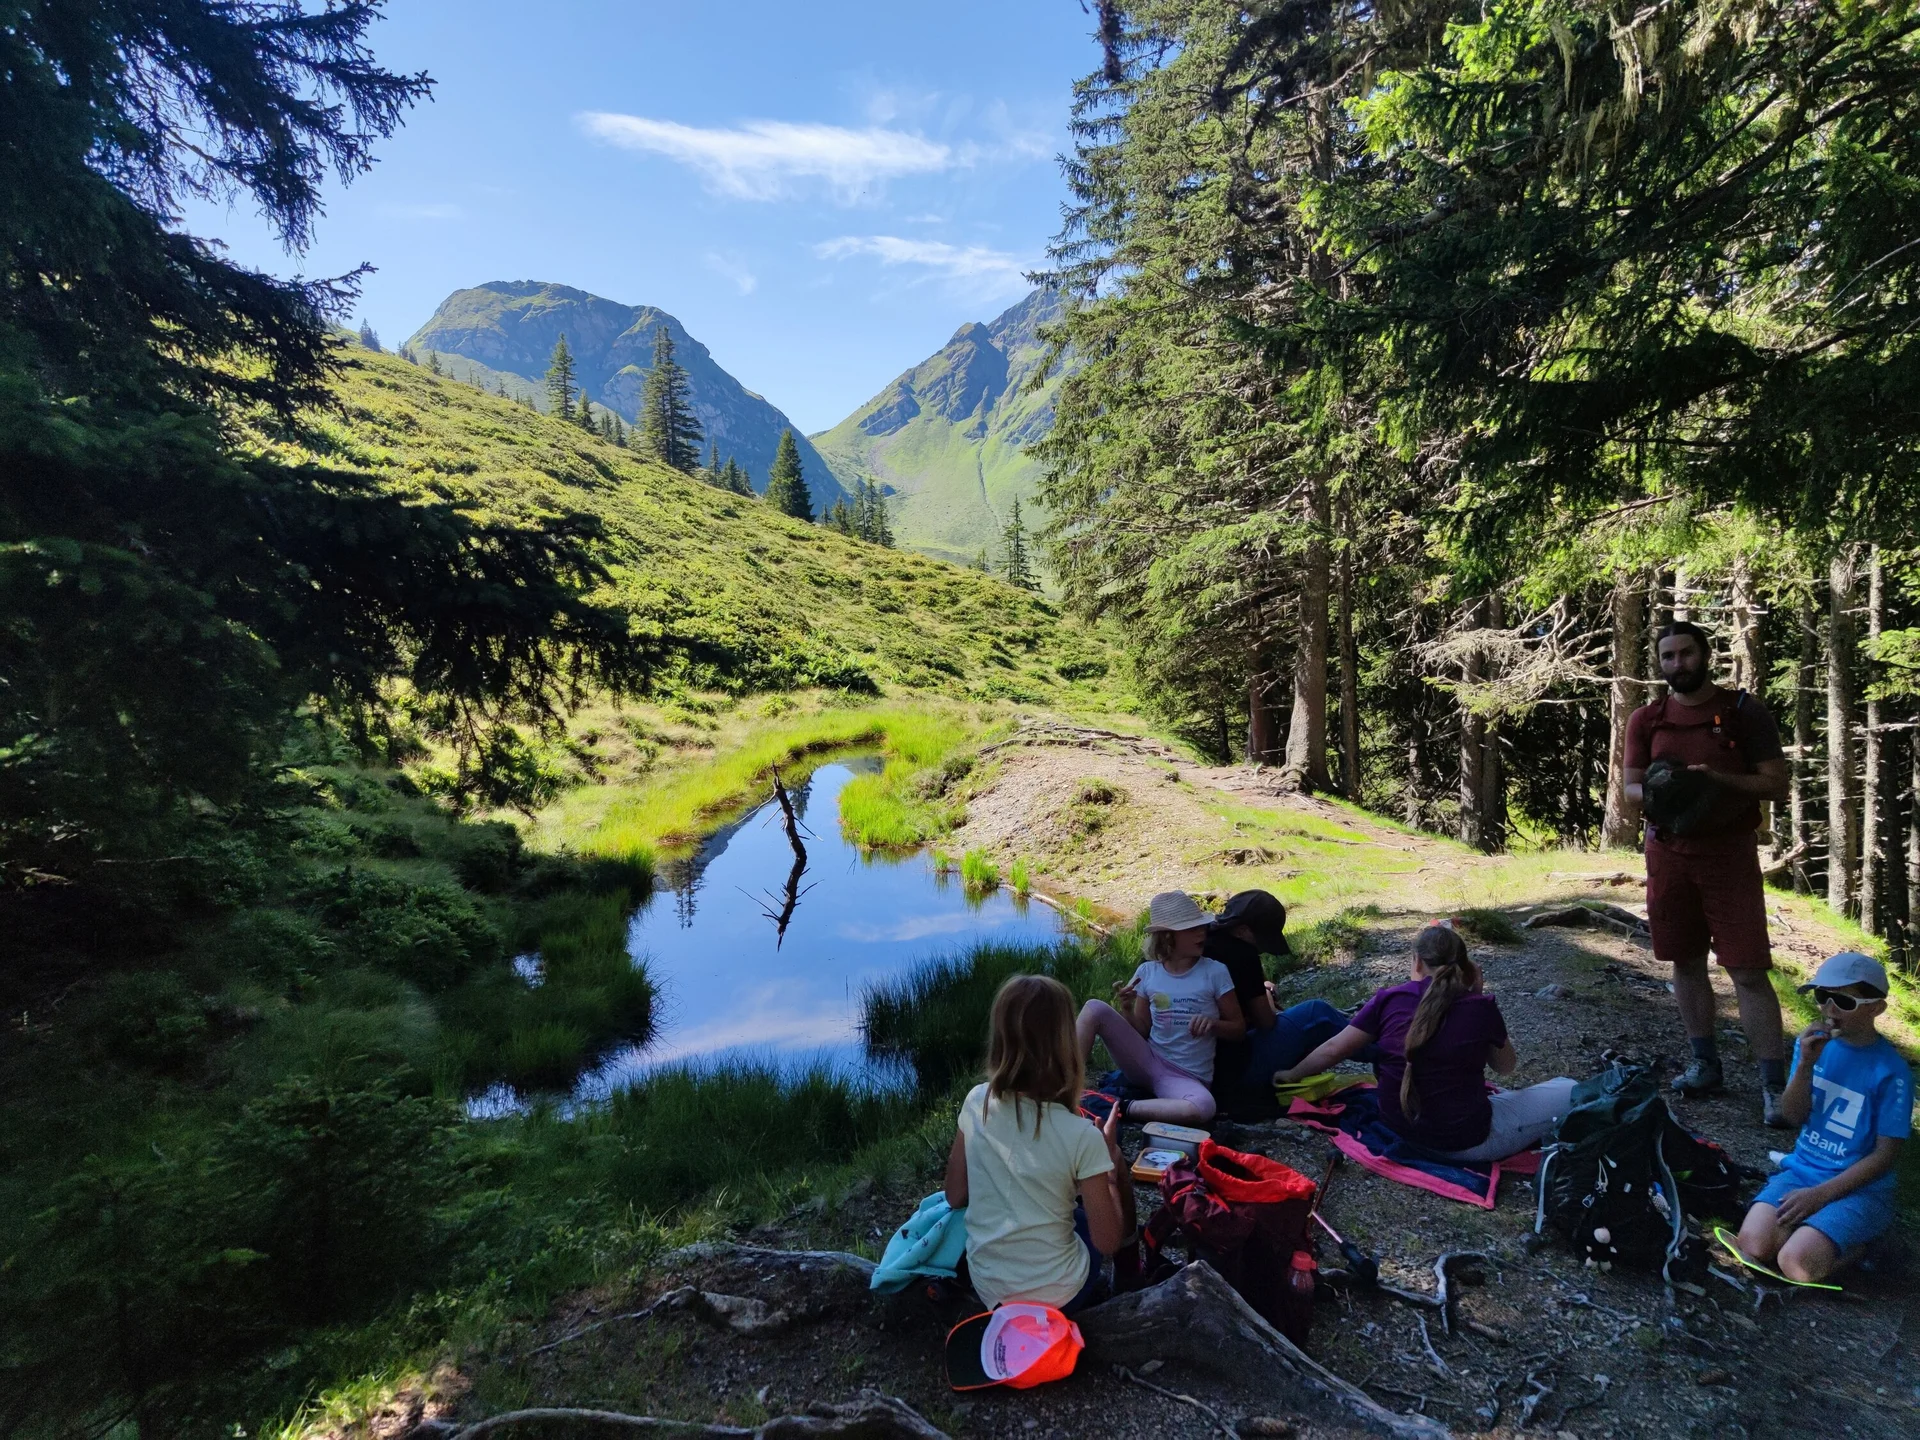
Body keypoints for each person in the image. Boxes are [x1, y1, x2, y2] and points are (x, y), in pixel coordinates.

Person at [1621, 620, 1792, 1124]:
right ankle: (1704, 1065)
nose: (1678, 664)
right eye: (1668, 656)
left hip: (1729, 854)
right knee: (1685, 960)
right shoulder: (1646, 720)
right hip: (1667, 852)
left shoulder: (1742, 712)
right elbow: (1630, 788)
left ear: (1705, 654)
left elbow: (1776, 783)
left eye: (1686, 654)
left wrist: (1715, 782)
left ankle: (1773, 1088)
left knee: (1746, 969)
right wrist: (1663, 788)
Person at [1275, 923, 1577, 1161]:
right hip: (1464, 1142)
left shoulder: (1389, 998)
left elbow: (1333, 1049)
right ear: (1466, 966)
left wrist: (1290, 1075)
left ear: (1416, 962)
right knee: (1571, 1090)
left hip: (1399, 1129)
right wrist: (1480, 997)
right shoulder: (1479, 1006)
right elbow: (1506, 1067)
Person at [944, 975, 1137, 1314]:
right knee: (1110, 1179)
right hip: (1060, 1295)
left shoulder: (977, 1101)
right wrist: (1109, 1166)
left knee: (1071, 1211)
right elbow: (1107, 1242)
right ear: (1065, 1046)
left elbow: (955, 1195)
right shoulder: (1082, 1136)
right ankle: (1130, 1276)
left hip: (989, 1286)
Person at [1732, 952, 1910, 1284]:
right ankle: (1816, 1232)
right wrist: (1804, 1066)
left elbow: (1885, 1155)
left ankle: (1863, 1247)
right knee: (1753, 1246)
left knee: (1796, 1264)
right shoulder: (1813, 1045)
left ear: (1875, 1008)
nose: (1828, 1008)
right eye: (1822, 996)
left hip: (1860, 1190)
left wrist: (1821, 1196)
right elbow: (1792, 1115)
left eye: (1842, 1000)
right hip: (1803, 1172)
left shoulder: (1891, 1072)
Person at [1075, 891, 1247, 1125]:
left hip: (1184, 1076)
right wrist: (1126, 1009)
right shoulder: (1148, 972)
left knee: (1203, 1107)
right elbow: (1143, 1030)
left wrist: (1214, 1025)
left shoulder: (1215, 972)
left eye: (1202, 927)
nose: (1201, 933)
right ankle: (1064, 1087)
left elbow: (1238, 1028)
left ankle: (1114, 1107)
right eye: (1191, 928)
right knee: (1094, 1007)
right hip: (1147, 1061)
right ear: (1167, 937)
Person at [1205, 889, 1350, 1103]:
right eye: (1261, 940)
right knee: (1317, 1013)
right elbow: (1267, 1021)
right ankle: (1385, 1050)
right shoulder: (1242, 954)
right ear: (1243, 929)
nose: (1261, 949)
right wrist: (1267, 993)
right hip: (1234, 1070)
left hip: (1192, 1070)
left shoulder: (1202, 941)